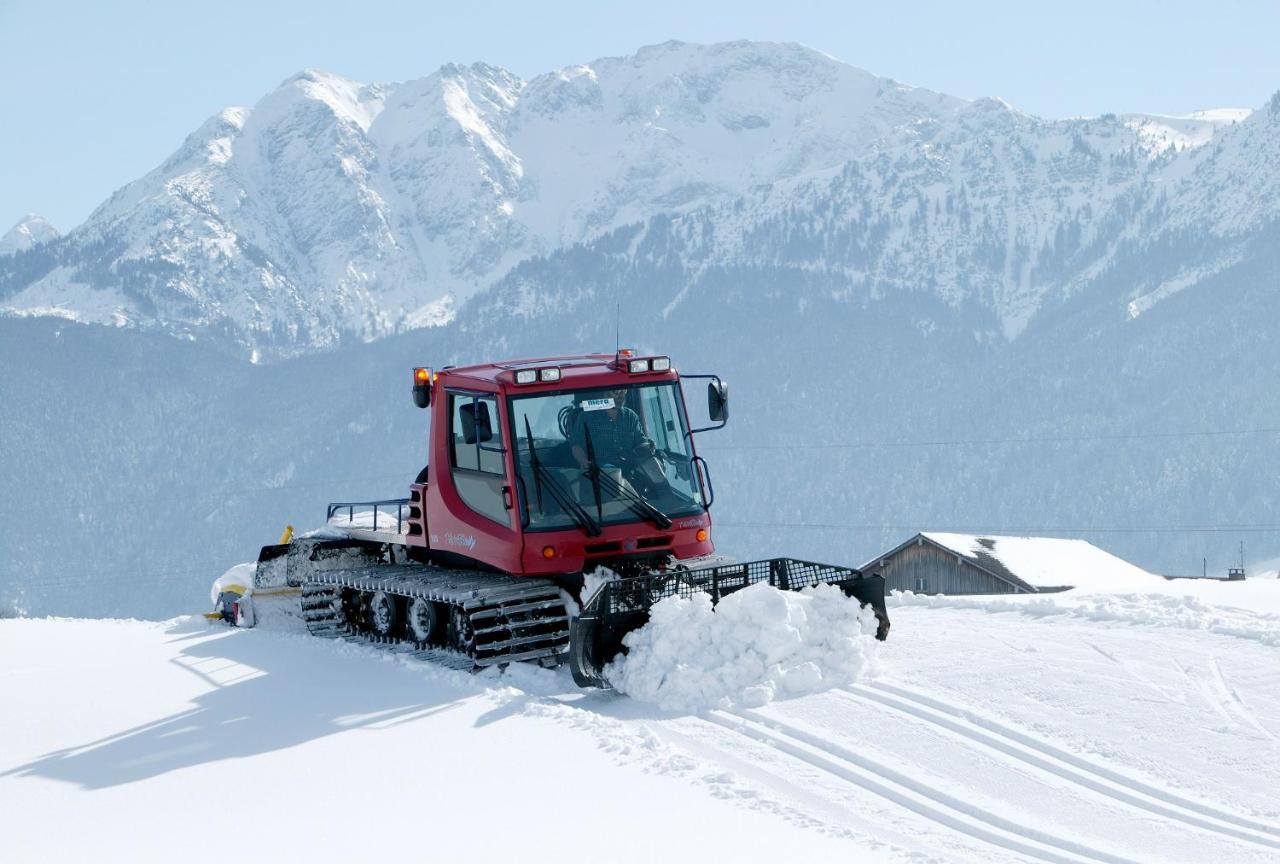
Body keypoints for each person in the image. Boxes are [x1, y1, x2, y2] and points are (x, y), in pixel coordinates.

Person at [569, 388, 667, 495]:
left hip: (629, 468)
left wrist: (648, 447)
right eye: (616, 391)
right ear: (604, 392)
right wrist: (584, 462)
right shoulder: (586, 417)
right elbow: (576, 445)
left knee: (653, 466)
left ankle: (669, 499)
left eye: (624, 390)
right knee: (611, 476)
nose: (621, 395)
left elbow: (640, 442)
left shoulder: (630, 416)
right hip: (601, 472)